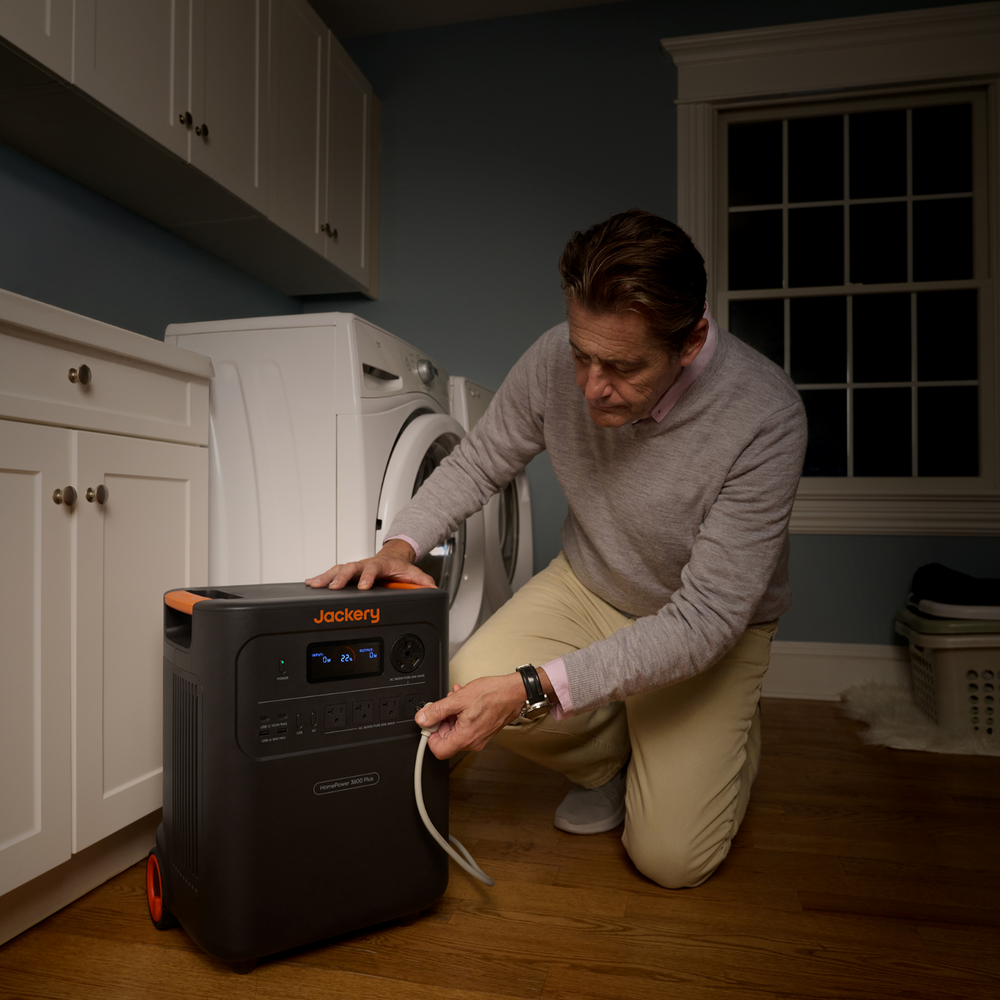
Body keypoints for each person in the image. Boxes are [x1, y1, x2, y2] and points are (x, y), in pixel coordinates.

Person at [307, 210, 807, 889]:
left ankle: (724, 738)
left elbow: (705, 620)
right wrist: (401, 545)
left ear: (690, 342)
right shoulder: (553, 359)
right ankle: (610, 763)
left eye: (623, 367)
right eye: (582, 354)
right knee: (472, 674)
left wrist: (533, 689)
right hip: (591, 585)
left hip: (707, 627)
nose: (590, 385)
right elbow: (480, 461)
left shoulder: (766, 415)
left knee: (672, 862)